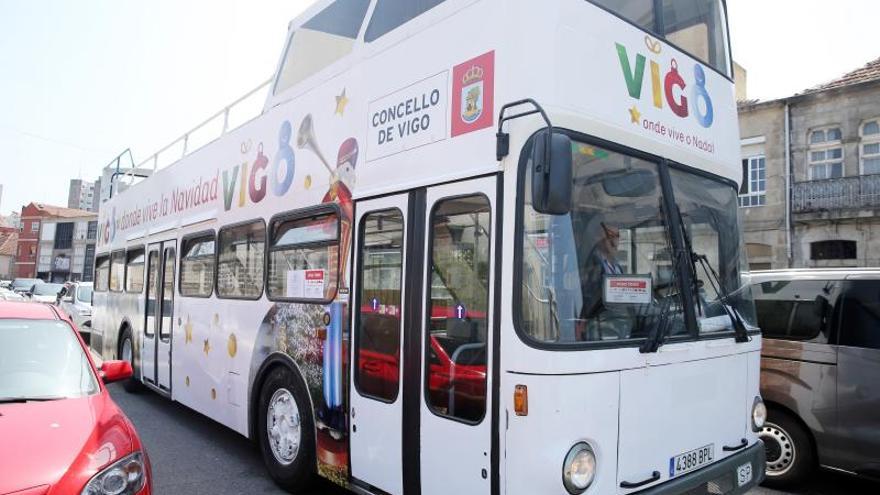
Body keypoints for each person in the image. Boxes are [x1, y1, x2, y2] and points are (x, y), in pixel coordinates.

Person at [576, 222, 626, 340]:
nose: (615, 242)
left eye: (618, 236)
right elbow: (589, 295)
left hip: (617, 320)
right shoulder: (592, 263)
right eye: (611, 236)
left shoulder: (616, 265)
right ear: (598, 238)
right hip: (599, 322)